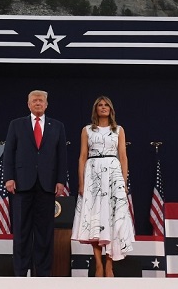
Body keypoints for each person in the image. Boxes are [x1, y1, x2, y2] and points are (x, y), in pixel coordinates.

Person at [3, 90, 68, 276]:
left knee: (44, 234)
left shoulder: (57, 126)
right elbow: (9, 153)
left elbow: (61, 156)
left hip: (47, 186)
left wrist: (60, 181)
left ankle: (43, 275)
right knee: (22, 232)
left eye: (41, 100)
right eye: (34, 100)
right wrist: (9, 177)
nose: (38, 103)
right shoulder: (16, 125)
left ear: (46, 104)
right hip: (22, 185)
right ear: (28, 104)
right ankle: (20, 274)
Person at [71, 96, 134, 277]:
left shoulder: (119, 130)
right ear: (95, 109)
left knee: (113, 219)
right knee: (95, 219)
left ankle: (109, 264)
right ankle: (98, 263)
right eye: (100, 105)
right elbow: (82, 156)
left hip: (114, 176)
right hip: (93, 175)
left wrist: (124, 182)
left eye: (106, 105)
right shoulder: (87, 130)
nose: (103, 107)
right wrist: (81, 183)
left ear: (111, 109)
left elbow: (123, 156)